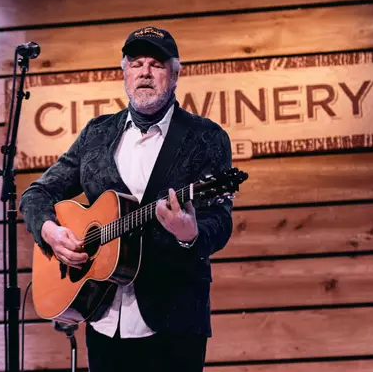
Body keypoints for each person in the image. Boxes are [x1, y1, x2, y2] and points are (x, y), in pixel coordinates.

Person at [19, 26, 233, 372]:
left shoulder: (205, 138)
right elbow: (37, 193)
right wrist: (49, 232)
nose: (145, 72)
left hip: (173, 320)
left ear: (175, 74)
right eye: (136, 63)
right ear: (124, 73)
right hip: (102, 316)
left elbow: (220, 222)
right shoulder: (97, 133)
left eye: (156, 64)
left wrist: (189, 234)